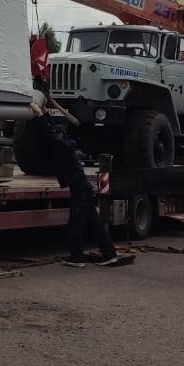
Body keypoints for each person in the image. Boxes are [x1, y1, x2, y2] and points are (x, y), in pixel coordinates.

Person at [27, 92, 130, 268]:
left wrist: (38, 114)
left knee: (75, 224)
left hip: (80, 191)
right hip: (83, 190)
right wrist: (43, 111)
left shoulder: (63, 147)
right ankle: (109, 254)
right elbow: (52, 130)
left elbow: (50, 133)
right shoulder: (66, 145)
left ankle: (77, 257)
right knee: (95, 224)